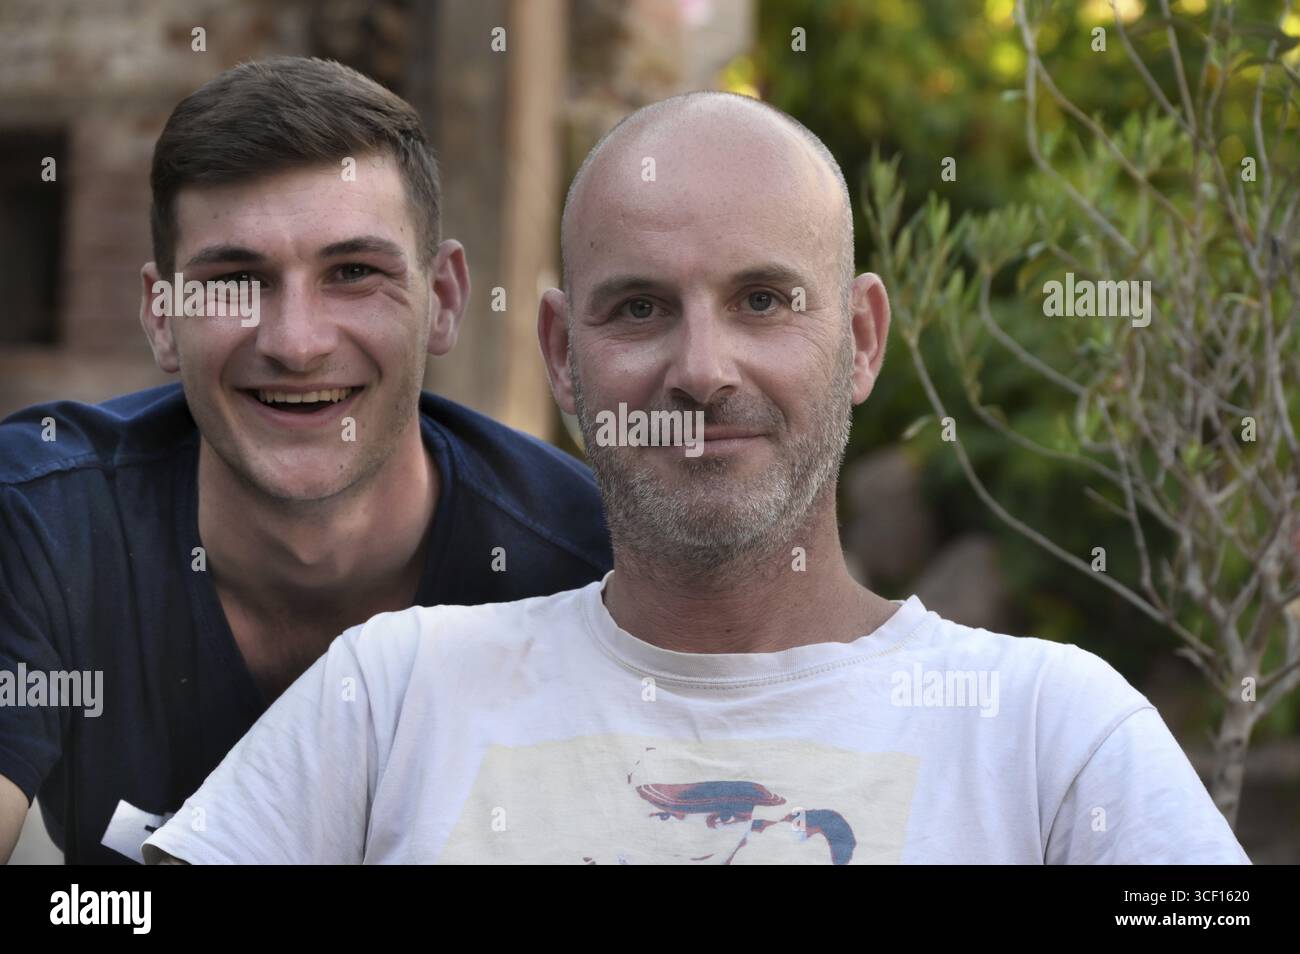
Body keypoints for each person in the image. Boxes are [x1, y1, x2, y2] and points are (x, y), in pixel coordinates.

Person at [142, 91, 1248, 865]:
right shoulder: (392, 694)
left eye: (763, 301)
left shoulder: (1055, 733)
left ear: (860, 340)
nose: (702, 371)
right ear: (563, 357)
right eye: (639, 309)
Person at [0, 56, 612, 864]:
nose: (296, 343)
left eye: (354, 273)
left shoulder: (587, 567)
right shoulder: (46, 521)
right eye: (235, 280)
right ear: (161, 318)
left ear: (445, 301)